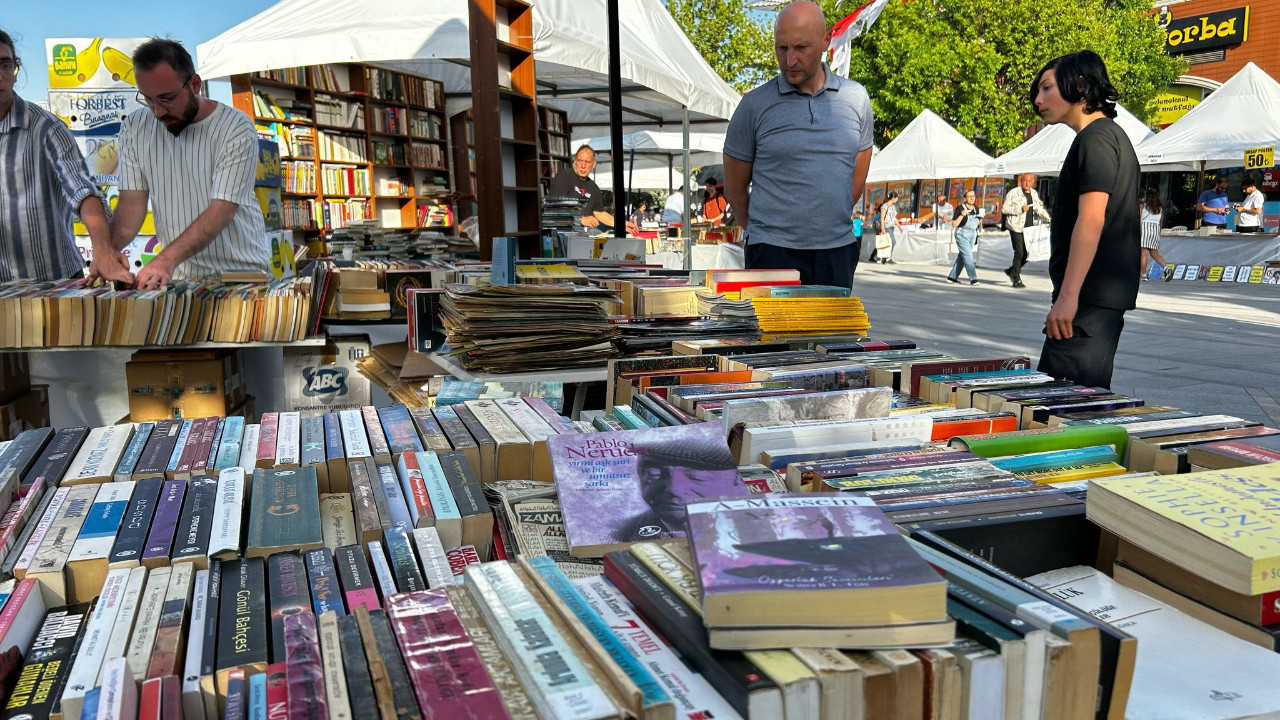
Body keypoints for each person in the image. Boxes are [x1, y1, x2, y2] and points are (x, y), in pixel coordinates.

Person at [722, 0, 874, 288]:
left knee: (834, 321)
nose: (790, 60)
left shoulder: (855, 99)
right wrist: (766, 234)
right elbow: (734, 189)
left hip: (836, 249)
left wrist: (827, 220)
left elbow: (856, 176)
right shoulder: (754, 105)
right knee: (770, 322)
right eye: (782, 48)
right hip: (771, 252)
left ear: (826, 41)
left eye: (801, 48)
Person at [107, 38, 271, 289]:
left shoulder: (235, 127)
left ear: (195, 84)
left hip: (240, 275)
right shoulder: (134, 127)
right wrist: (107, 252)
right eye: (148, 100)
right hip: (178, 279)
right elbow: (131, 205)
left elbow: (222, 210)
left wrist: (164, 260)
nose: (158, 111)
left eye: (167, 98)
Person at [1031, 50, 1140, 390]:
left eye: (1047, 88)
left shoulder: (1097, 138)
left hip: (1088, 300)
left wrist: (1068, 297)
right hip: (1095, 298)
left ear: (1078, 86)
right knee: (1079, 402)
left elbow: (1092, 218)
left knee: (1058, 405)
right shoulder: (1105, 136)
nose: (1038, 100)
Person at [0, 29, 116, 283]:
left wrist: (103, 250)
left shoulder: (46, 128)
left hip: (54, 282)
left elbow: (83, 190)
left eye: (5, 64)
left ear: (15, 71)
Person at [610, 436, 745, 542]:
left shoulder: (752, 527)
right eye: (654, 473)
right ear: (639, 472)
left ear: (737, 477)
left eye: (697, 475)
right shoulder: (613, 535)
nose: (674, 489)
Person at [547, 145, 636, 233]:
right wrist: (581, 219)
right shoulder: (564, 177)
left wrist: (621, 224)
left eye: (587, 162)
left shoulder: (593, 187)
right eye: (580, 161)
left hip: (584, 234)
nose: (583, 166)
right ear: (575, 161)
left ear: (593, 164)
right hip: (564, 234)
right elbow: (554, 208)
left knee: (603, 237)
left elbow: (599, 213)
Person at [1001, 173, 1051, 288]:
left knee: (1029, 253)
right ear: (1021, 181)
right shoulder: (1013, 193)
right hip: (1015, 226)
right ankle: (1016, 279)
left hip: (1029, 228)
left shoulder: (1034, 193)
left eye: (1030, 181)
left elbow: (1038, 207)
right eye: (1025, 180)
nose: (1027, 183)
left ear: (1033, 182)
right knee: (1019, 252)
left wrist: (1046, 216)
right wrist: (1020, 209)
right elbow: (1004, 209)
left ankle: (1012, 270)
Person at [947, 190, 982, 285]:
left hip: (972, 234)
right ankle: (973, 278)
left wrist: (981, 218)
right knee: (968, 256)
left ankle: (952, 277)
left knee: (963, 256)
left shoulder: (976, 208)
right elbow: (954, 224)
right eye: (969, 196)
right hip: (962, 234)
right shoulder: (960, 208)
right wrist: (962, 215)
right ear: (965, 198)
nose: (972, 198)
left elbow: (976, 223)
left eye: (973, 196)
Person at [1139, 188, 1170, 280]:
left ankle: (1144, 275)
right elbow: (1161, 221)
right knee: (1155, 253)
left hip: (1145, 228)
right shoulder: (1160, 208)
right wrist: (1158, 232)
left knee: (1143, 253)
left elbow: (1139, 217)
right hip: (1155, 229)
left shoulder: (1143, 206)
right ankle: (1166, 268)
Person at [878, 192, 900, 264]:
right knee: (893, 241)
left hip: (892, 226)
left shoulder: (893, 206)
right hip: (886, 226)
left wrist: (899, 226)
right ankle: (888, 258)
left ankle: (885, 258)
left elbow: (894, 218)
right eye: (896, 198)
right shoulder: (884, 206)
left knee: (888, 243)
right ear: (893, 198)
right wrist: (883, 228)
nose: (897, 200)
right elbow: (882, 218)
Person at [850, 210, 864, 279]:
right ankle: (857, 257)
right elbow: (863, 224)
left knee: (854, 246)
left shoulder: (853, 221)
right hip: (859, 235)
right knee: (859, 247)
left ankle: (853, 256)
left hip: (854, 235)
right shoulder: (859, 221)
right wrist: (863, 219)